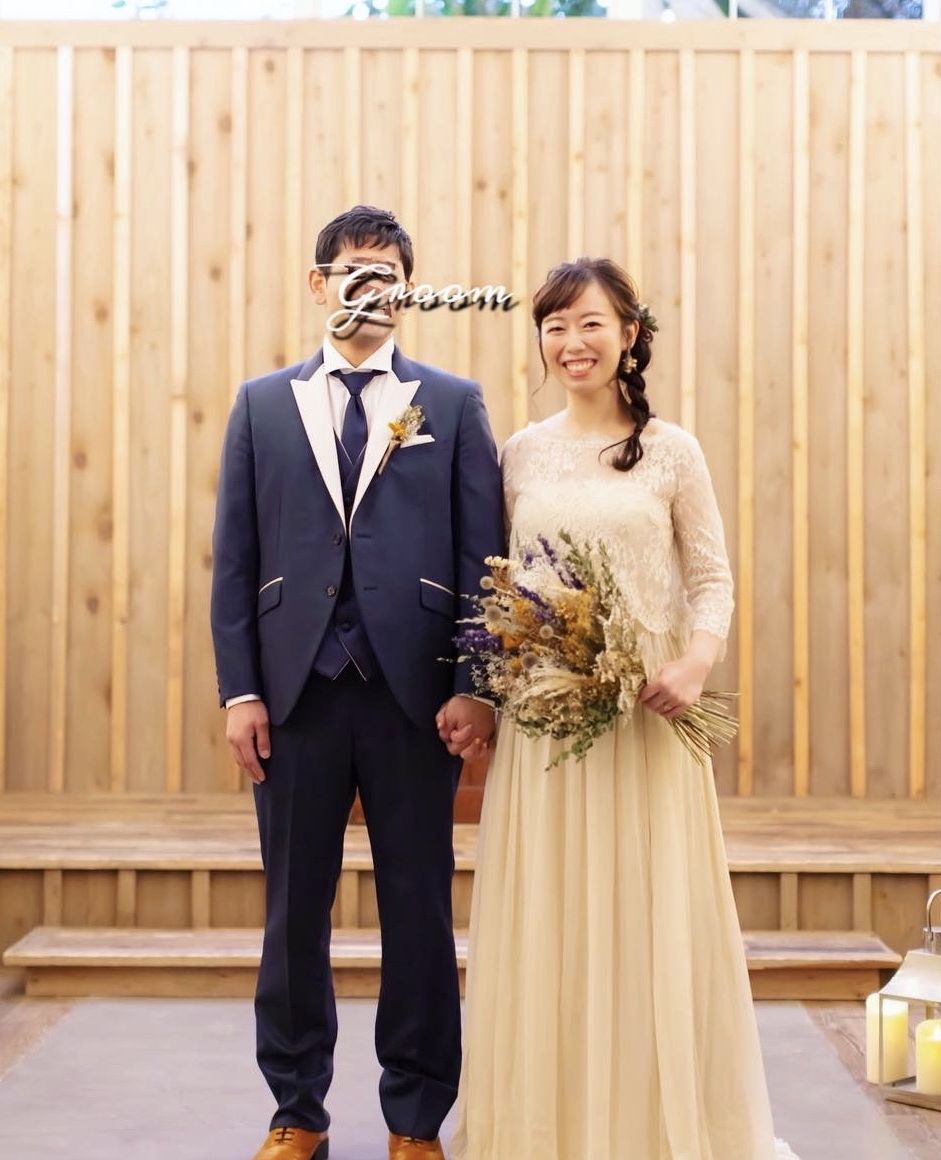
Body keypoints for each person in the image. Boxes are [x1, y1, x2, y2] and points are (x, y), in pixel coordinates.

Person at [450, 257, 798, 1160]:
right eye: (555, 327)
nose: (572, 343)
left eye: (591, 323)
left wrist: (694, 662)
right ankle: (548, 1128)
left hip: (648, 719)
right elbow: (498, 587)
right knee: (551, 917)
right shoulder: (519, 452)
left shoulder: (672, 450)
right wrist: (491, 688)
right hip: (547, 722)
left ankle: (654, 1125)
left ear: (629, 335)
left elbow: (711, 579)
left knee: (650, 913)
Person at [211, 205, 504, 1160]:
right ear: (319, 284)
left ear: (406, 292)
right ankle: (296, 1112)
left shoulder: (451, 403)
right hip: (293, 695)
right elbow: (235, 560)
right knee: (292, 912)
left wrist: (475, 682)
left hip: (413, 696)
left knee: (418, 908)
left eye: (386, 274)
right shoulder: (261, 404)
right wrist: (239, 691)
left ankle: (415, 1120)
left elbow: (483, 557)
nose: (368, 288)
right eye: (351, 270)